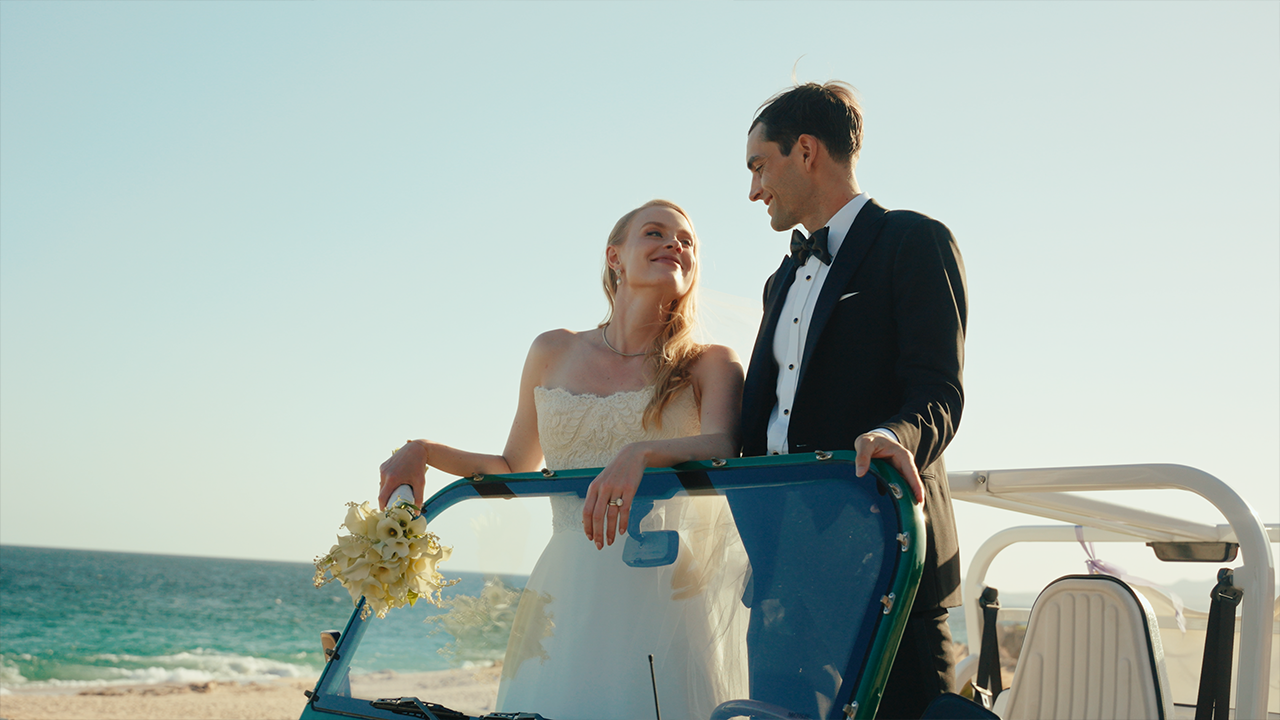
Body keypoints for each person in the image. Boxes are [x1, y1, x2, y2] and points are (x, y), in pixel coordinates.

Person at [377, 200, 749, 720]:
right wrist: (425, 450)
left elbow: (725, 447)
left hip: (664, 588)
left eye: (687, 241)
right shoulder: (553, 350)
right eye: (655, 233)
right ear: (614, 256)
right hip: (567, 583)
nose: (675, 245)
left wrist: (641, 453)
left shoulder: (709, 363)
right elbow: (514, 467)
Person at [738, 82, 967, 719]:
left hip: (886, 562)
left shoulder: (913, 242)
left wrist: (897, 433)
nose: (754, 190)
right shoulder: (778, 281)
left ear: (805, 151)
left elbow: (938, 390)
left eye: (760, 166)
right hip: (785, 580)